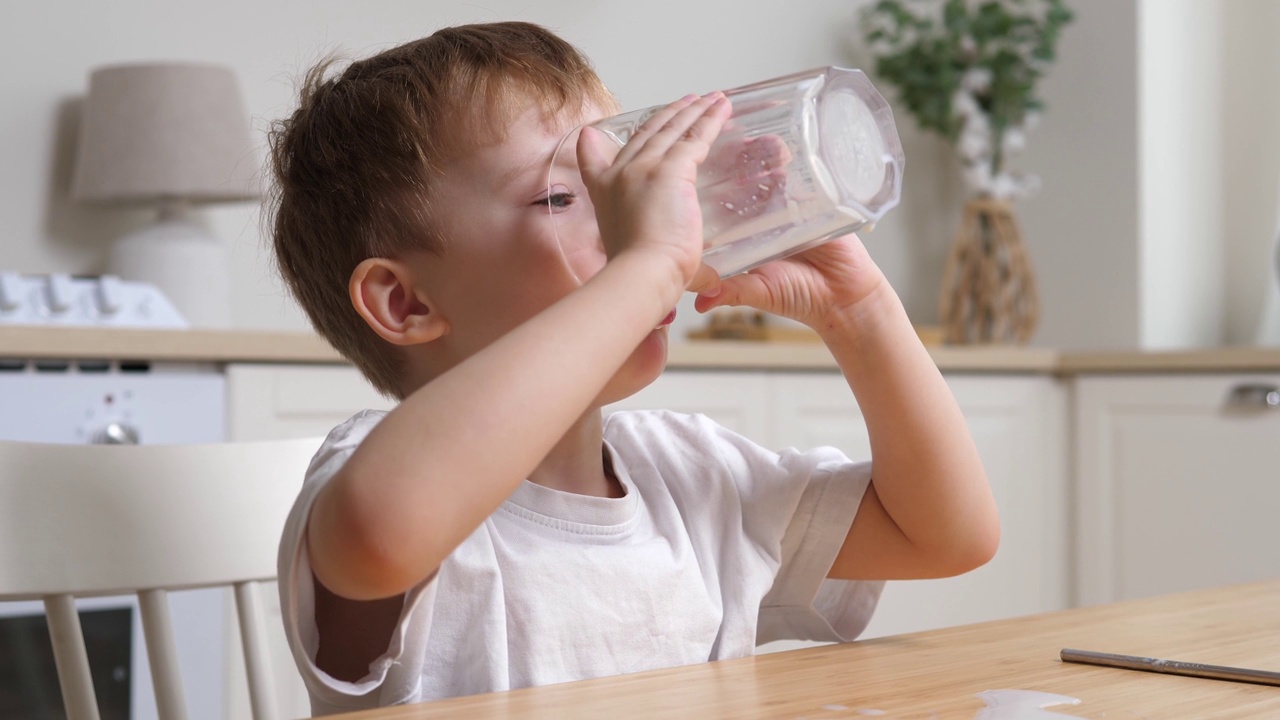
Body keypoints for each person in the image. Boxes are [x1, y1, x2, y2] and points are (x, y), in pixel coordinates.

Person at [267, 21, 999, 715]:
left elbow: (945, 535)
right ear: (405, 302)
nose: (638, 221)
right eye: (561, 196)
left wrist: (861, 312)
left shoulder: (688, 474)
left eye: (625, 181)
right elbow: (380, 528)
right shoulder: (380, 481)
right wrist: (645, 265)